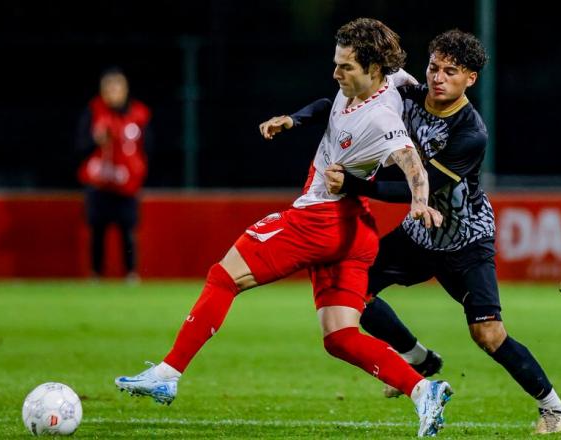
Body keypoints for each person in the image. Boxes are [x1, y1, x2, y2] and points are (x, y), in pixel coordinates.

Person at [115, 18, 453, 437]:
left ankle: (168, 372)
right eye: (337, 63)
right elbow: (326, 107)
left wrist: (420, 201)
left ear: (372, 68)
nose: (336, 73)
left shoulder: (383, 117)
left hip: (319, 219)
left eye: (345, 67)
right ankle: (424, 391)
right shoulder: (387, 80)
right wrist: (293, 120)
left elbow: (410, 160)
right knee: (340, 336)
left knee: (224, 276)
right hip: (352, 229)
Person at [322, 29, 561, 434]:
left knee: (488, 335)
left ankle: (553, 407)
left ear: (470, 78)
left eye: (450, 71)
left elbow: (418, 189)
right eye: (434, 67)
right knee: (351, 292)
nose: (438, 77)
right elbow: (345, 104)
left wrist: (352, 184)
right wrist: (298, 118)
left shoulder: (470, 133)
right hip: (420, 235)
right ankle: (418, 358)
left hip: (464, 240)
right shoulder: (407, 96)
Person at [75, 67, 152, 281]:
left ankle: (131, 274)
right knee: (97, 230)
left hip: (127, 184)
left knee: (128, 230)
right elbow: (79, 146)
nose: (113, 93)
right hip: (99, 183)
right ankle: (95, 274)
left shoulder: (139, 114)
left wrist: (138, 171)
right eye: (108, 88)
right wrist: (95, 141)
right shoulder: (93, 112)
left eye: (117, 87)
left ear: (125, 89)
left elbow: (148, 147)